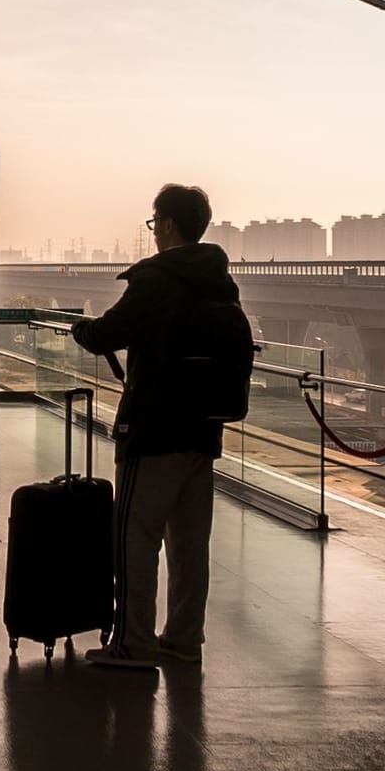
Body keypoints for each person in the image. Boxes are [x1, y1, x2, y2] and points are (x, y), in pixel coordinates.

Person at [70, 184, 239, 669]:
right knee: (189, 544)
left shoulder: (158, 279)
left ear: (166, 225)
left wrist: (81, 327)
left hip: (154, 427)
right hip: (204, 430)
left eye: (153, 222)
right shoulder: (218, 282)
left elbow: (106, 333)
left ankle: (134, 642)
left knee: (136, 536)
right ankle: (185, 639)